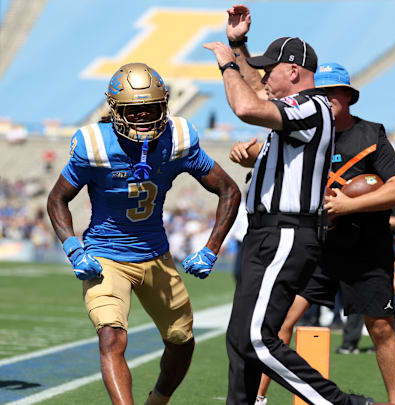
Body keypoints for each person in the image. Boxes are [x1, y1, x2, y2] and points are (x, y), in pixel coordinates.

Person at [205, 5, 389, 405]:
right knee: (240, 340)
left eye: (271, 68)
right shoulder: (297, 107)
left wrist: (226, 64)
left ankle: (344, 404)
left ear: (293, 71)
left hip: (285, 232)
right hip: (268, 232)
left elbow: (247, 104)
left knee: (256, 338)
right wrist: (239, 44)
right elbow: (258, 91)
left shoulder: (311, 106)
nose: (264, 76)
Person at [46, 62, 240, 405]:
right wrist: (74, 248)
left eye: (151, 107)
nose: (144, 116)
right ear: (116, 110)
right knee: (111, 337)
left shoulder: (177, 140)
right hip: (105, 256)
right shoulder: (95, 145)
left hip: (156, 254)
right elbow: (57, 198)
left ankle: (158, 401)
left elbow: (228, 189)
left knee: (182, 341)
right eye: (134, 110)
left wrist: (211, 248)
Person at [258, 62, 395, 405]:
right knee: (279, 320)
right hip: (318, 248)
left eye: (331, 93)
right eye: (318, 94)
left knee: (381, 328)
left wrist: (349, 206)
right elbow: (267, 153)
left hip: (367, 249)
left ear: (348, 97)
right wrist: (248, 153)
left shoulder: (371, 134)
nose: (324, 99)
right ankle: (258, 398)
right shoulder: (305, 134)